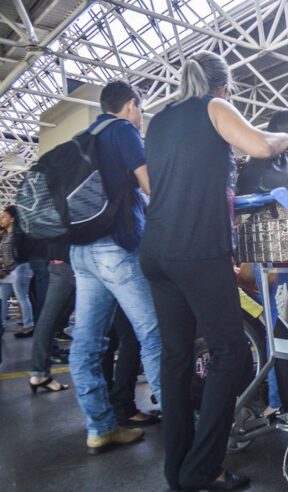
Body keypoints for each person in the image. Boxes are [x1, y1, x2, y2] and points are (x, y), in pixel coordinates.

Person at [141, 51, 288, 490]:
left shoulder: (159, 119)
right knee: (229, 354)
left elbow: (160, 182)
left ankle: (177, 470)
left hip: (156, 250)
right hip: (197, 249)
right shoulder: (214, 106)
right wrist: (287, 138)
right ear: (224, 86)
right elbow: (261, 146)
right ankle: (203, 471)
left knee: (175, 359)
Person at [66, 80, 162, 455]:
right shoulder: (123, 131)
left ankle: (101, 427)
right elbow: (151, 185)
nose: (140, 117)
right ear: (131, 106)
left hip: (81, 251)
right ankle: (185, 433)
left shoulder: (81, 137)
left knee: (88, 342)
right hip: (115, 249)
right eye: (140, 110)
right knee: (154, 335)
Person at [28, 239, 74, 393]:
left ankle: (38, 373)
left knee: (47, 319)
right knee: (95, 317)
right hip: (75, 259)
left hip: (55, 260)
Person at [0, 206, 34, 338]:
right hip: (6, 271)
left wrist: (5, 269)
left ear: (12, 219)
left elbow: (19, 256)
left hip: (19, 269)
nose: (1, 219)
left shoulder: (19, 235)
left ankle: (28, 325)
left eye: (4, 217)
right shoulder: (5, 235)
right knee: (2, 298)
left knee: (22, 297)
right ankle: (1, 324)